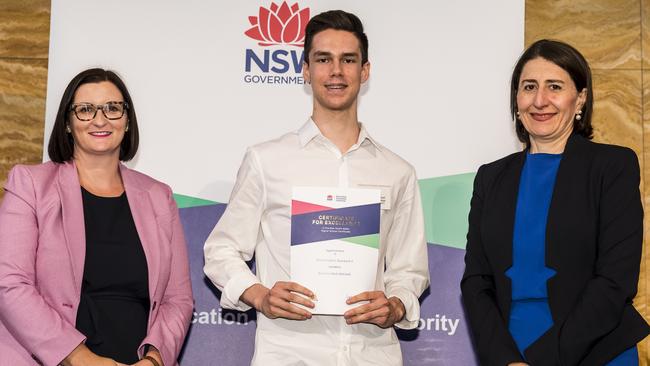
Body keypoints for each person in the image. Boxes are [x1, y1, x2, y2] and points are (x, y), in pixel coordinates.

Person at [203, 10, 429, 365]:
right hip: (289, 354)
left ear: (364, 71)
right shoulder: (266, 160)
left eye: (348, 60)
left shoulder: (397, 172)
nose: (336, 71)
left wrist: (396, 305)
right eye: (323, 59)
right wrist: (259, 295)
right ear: (306, 70)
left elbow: (409, 271)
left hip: (372, 354)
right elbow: (221, 251)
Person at [461, 39, 649, 366]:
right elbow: (477, 281)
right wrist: (506, 359)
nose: (540, 100)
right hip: (511, 354)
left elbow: (615, 281)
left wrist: (542, 360)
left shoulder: (612, 167)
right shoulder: (490, 178)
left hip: (596, 353)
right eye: (529, 86)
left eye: (555, 86)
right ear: (516, 101)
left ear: (581, 99)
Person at [0, 68, 193, 366]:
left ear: (127, 121)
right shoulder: (31, 185)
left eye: (112, 108)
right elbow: (10, 283)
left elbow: (177, 299)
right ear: (67, 122)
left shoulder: (159, 196)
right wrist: (79, 357)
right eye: (85, 110)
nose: (100, 120)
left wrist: (155, 359)